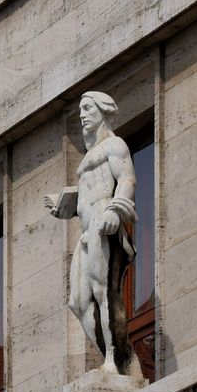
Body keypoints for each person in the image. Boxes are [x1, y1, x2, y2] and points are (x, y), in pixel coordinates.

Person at [45, 92, 139, 376]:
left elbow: (127, 179)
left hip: (103, 222)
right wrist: (67, 205)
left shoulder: (114, 144)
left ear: (104, 111)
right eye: (80, 109)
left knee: (103, 293)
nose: (82, 114)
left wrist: (115, 210)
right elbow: (87, 193)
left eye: (87, 108)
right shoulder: (89, 155)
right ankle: (115, 357)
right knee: (78, 301)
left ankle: (114, 360)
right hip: (86, 229)